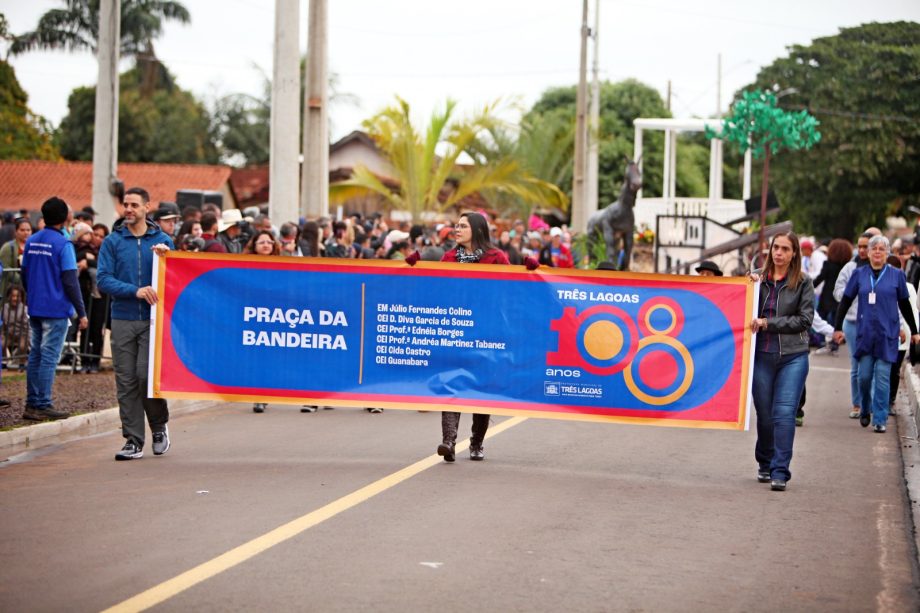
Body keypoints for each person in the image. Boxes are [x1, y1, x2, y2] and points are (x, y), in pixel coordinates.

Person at [97, 187, 174, 461]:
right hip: (123, 318)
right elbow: (103, 279)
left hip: (153, 321)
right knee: (126, 380)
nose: (128, 209)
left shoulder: (163, 239)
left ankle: (159, 426)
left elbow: (176, 277)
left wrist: (167, 257)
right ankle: (132, 439)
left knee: (145, 377)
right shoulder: (113, 242)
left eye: (134, 205)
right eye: (125, 205)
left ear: (146, 208)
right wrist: (135, 290)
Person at [432, 212, 510, 462]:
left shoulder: (496, 258)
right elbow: (435, 288)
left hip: (487, 332)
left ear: (476, 230)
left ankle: (476, 443)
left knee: (480, 387)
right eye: (456, 225)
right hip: (456, 330)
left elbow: (514, 287)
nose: (457, 229)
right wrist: (414, 268)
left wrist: (528, 272)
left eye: (463, 226)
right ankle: (449, 442)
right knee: (451, 383)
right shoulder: (448, 257)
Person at [833, 235, 920, 434]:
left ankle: (879, 419)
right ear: (869, 253)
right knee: (863, 378)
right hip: (865, 334)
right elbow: (845, 300)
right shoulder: (859, 274)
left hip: (887, 335)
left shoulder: (897, 275)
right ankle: (865, 407)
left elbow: (905, 305)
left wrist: (914, 331)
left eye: (882, 248)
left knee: (882, 378)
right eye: (874, 248)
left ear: (887, 252)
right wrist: (837, 328)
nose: (878, 252)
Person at [749, 232, 814, 491]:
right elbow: (737, 306)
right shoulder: (756, 279)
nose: (779, 253)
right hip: (761, 357)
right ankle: (765, 461)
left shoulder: (803, 282)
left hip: (793, 356)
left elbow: (804, 319)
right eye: (775, 247)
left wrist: (768, 323)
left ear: (794, 253)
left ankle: (780, 471)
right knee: (764, 416)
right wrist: (748, 288)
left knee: (784, 414)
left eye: (785, 249)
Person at [20, 197, 88, 421]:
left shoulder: (32, 240)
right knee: (49, 357)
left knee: (35, 355)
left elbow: (24, 273)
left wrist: (33, 294)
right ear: (64, 217)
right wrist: (82, 310)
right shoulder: (63, 244)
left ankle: (32, 403)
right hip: (56, 309)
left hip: (36, 306)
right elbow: (70, 280)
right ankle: (43, 404)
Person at [833, 232, 872, 418]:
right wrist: (851, 295)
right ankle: (857, 404)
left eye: (867, 246)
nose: (863, 250)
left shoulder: (881, 269)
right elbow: (838, 291)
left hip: (874, 324)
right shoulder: (850, 267)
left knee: (873, 364)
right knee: (856, 365)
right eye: (860, 246)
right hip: (852, 322)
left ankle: (871, 402)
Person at [242, 230, 281, 414]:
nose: (266, 245)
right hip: (252, 317)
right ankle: (258, 395)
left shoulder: (283, 266)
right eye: (261, 242)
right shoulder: (244, 266)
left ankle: (264, 394)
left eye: (269, 242)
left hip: (275, 317)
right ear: (254, 246)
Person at [885, 254, 918, 414]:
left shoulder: (909, 287)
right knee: (884, 367)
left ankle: (890, 400)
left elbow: (913, 311)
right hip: (885, 332)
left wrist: (915, 333)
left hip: (903, 333)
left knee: (894, 367)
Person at [812, 238, 854, 356]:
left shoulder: (828, 264)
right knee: (837, 321)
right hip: (841, 296)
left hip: (826, 296)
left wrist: (807, 287)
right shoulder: (848, 266)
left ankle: (820, 342)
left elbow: (819, 279)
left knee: (821, 318)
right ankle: (835, 344)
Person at [0, 217, 32, 302]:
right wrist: (22, 279)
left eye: (28, 230)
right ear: (16, 231)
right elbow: (4, 267)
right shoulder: (7, 247)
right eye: (22, 230)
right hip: (10, 292)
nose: (26, 233)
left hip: (28, 291)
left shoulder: (33, 247)